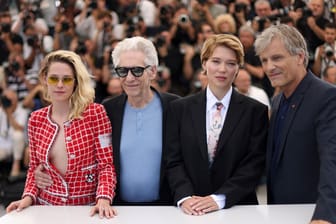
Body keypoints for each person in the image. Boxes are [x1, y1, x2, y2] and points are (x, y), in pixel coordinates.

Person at [35, 37, 179, 205]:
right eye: (123, 71)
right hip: (116, 209)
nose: (130, 78)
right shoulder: (108, 109)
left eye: (137, 70)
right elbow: (87, 156)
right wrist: (45, 170)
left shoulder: (175, 106)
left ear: (153, 71)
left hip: (165, 209)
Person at [6, 50, 117, 219]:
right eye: (53, 78)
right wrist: (27, 197)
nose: (59, 85)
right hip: (46, 209)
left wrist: (103, 198)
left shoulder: (96, 113)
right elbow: (34, 169)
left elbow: (106, 165)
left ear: (76, 82)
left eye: (66, 79)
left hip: (87, 210)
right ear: (44, 79)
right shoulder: (36, 119)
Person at [165, 34, 268, 215]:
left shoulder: (256, 111)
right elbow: (173, 160)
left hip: (240, 209)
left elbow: (254, 164)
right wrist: (185, 197)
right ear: (204, 63)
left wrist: (220, 198)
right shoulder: (179, 109)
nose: (222, 69)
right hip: (191, 211)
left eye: (231, 63)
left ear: (238, 68)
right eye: (216, 61)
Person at [254, 24, 336, 224]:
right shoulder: (277, 100)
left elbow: (332, 159)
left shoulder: (327, 97)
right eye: (264, 60)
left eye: (277, 58)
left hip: (312, 214)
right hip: (280, 213)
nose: (268, 67)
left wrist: (325, 215)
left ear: (300, 57)